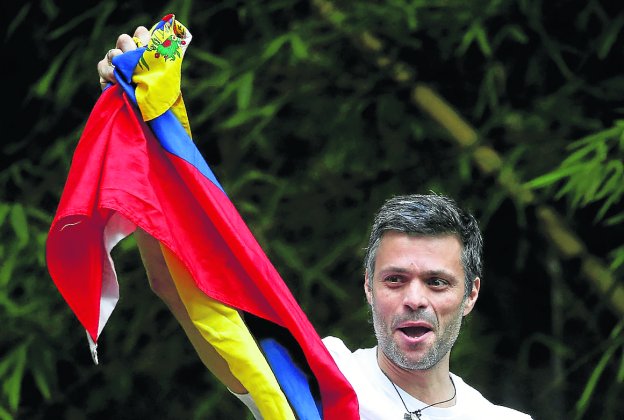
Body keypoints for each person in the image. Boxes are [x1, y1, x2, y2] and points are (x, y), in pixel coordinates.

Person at [98, 27, 533, 420]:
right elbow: (181, 285)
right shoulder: (318, 373)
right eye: (395, 279)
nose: (414, 299)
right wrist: (146, 124)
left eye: (437, 282)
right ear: (368, 285)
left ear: (471, 293)